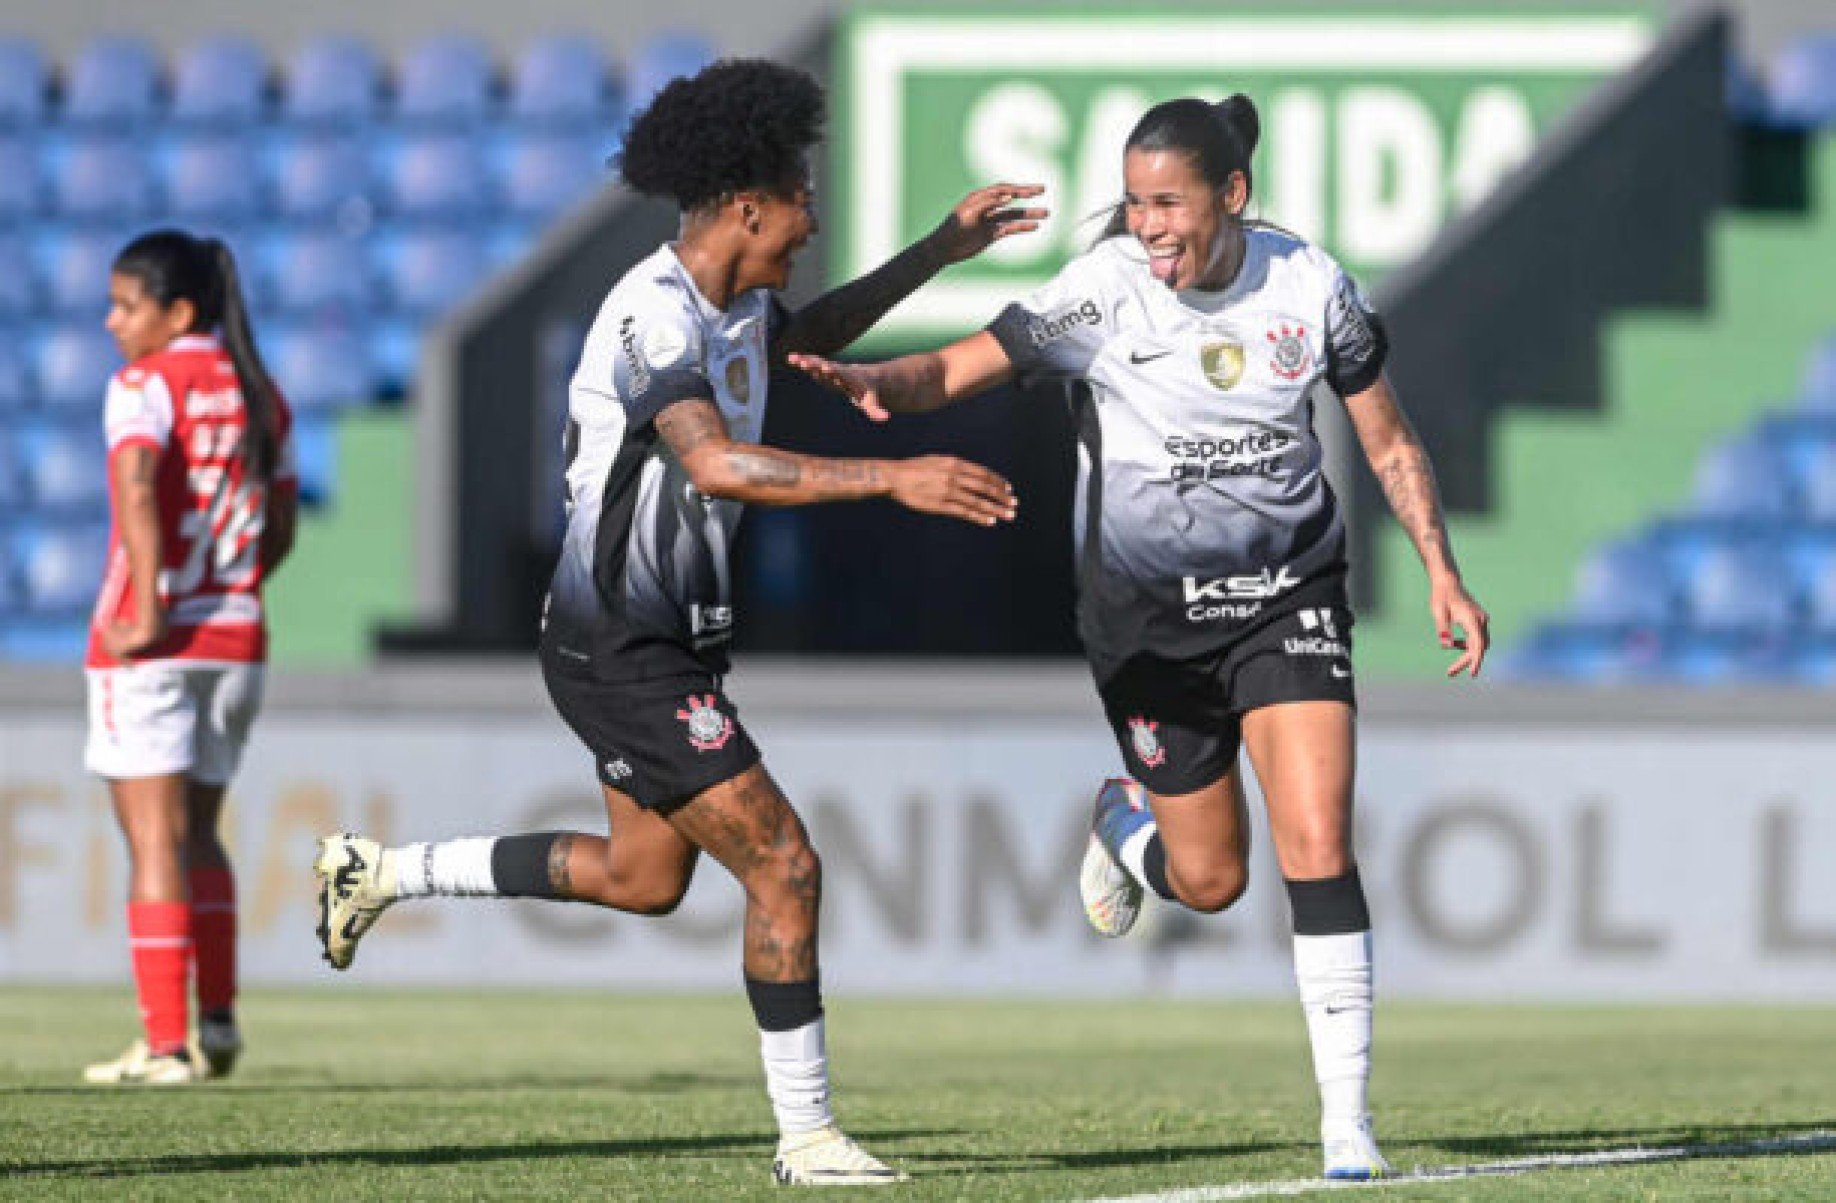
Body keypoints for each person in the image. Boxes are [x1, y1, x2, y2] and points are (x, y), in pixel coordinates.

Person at [312, 59, 1039, 1187]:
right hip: (623, 647)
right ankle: (808, 1138)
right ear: (748, 206)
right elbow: (717, 460)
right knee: (786, 866)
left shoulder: (736, 305)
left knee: (643, 879)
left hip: (659, 640)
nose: (812, 216)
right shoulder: (651, 318)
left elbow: (808, 338)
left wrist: (940, 252)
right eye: (801, 194)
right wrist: (891, 478)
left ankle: (381, 872)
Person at [791, 94, 1489, 1181]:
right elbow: (956, 367)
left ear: (1232, 198)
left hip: (1288, 597)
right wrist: (874, 383)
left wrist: (1442, 571)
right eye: (1134, 202)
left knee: (1318, 844)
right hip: (1147, 625)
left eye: (1169, 202)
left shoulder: (1310, 285)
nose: (1149, 224)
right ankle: (1128, 821)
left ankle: (1347, 1125)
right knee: (1211, 882)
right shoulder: (1102, 296)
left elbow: (1388, 442)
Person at [82, 231, 298, 1085]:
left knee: (153, 842)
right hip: (237, 635)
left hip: (155, 642)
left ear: (175, 312)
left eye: (126, 305)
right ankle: (218, 1018)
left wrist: (152, 605)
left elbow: (137, 484)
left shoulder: (143, 384)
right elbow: (281, 524)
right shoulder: (260, 392)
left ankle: (165, 1042)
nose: (111, 322)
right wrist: (235, 588)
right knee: (202, 832)